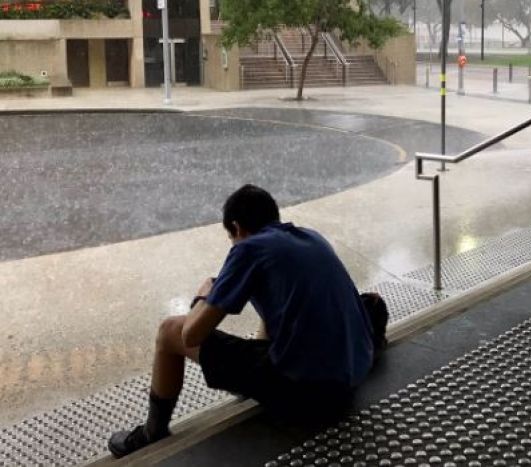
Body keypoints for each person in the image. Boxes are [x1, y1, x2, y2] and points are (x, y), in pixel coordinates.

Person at [108, 184, 388, 458]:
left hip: (308, 394)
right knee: (364, 303)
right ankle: (254, 383)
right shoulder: (311, 237)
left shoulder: (249, 249)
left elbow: (190, 336)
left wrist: (203, 297)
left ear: (237, 228)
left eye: (231, 238)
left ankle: (152, 432)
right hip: (350, 374)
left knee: (169, 331)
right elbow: (282, 308)